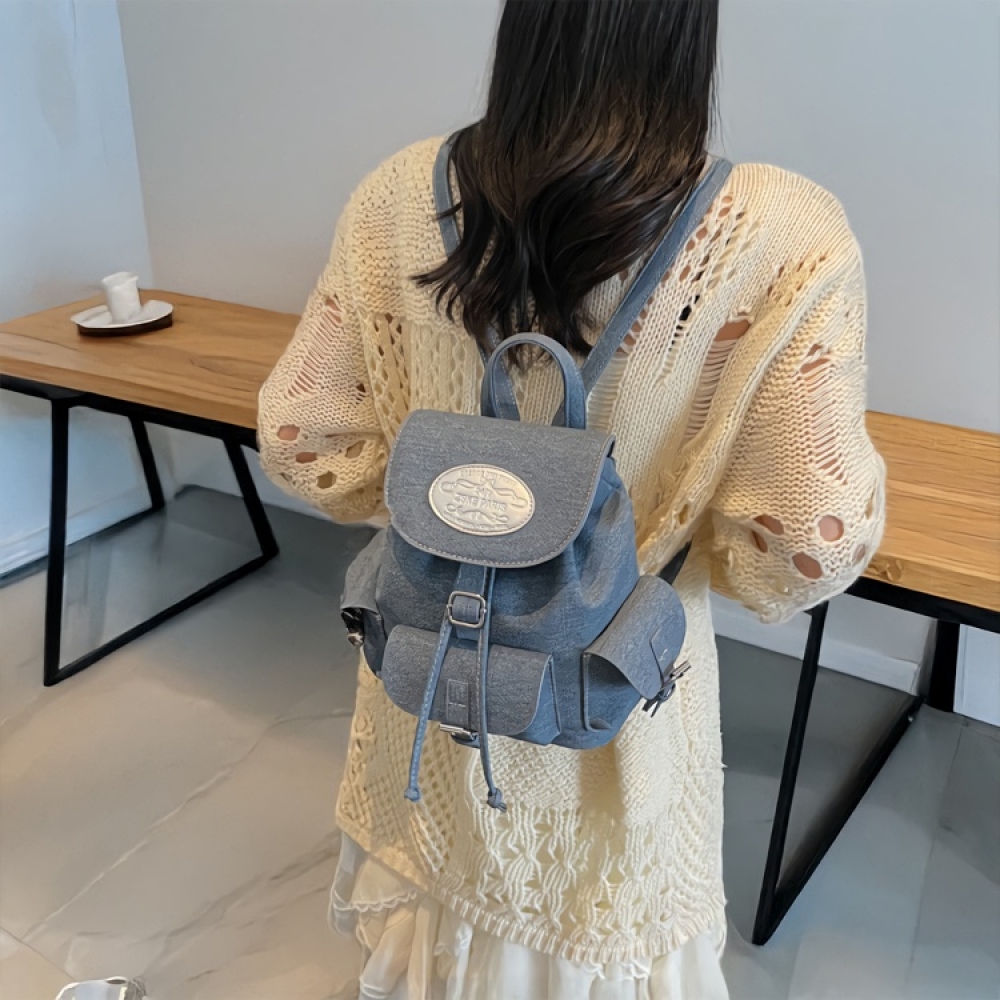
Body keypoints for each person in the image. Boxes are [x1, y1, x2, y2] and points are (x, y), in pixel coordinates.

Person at [258, 1, 886, 995]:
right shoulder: (783, 233)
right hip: (618, 709)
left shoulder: (397, 195)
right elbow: (809, 543)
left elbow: (303, 439)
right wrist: (658, 537)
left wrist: (448, 511)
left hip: (430, 684)